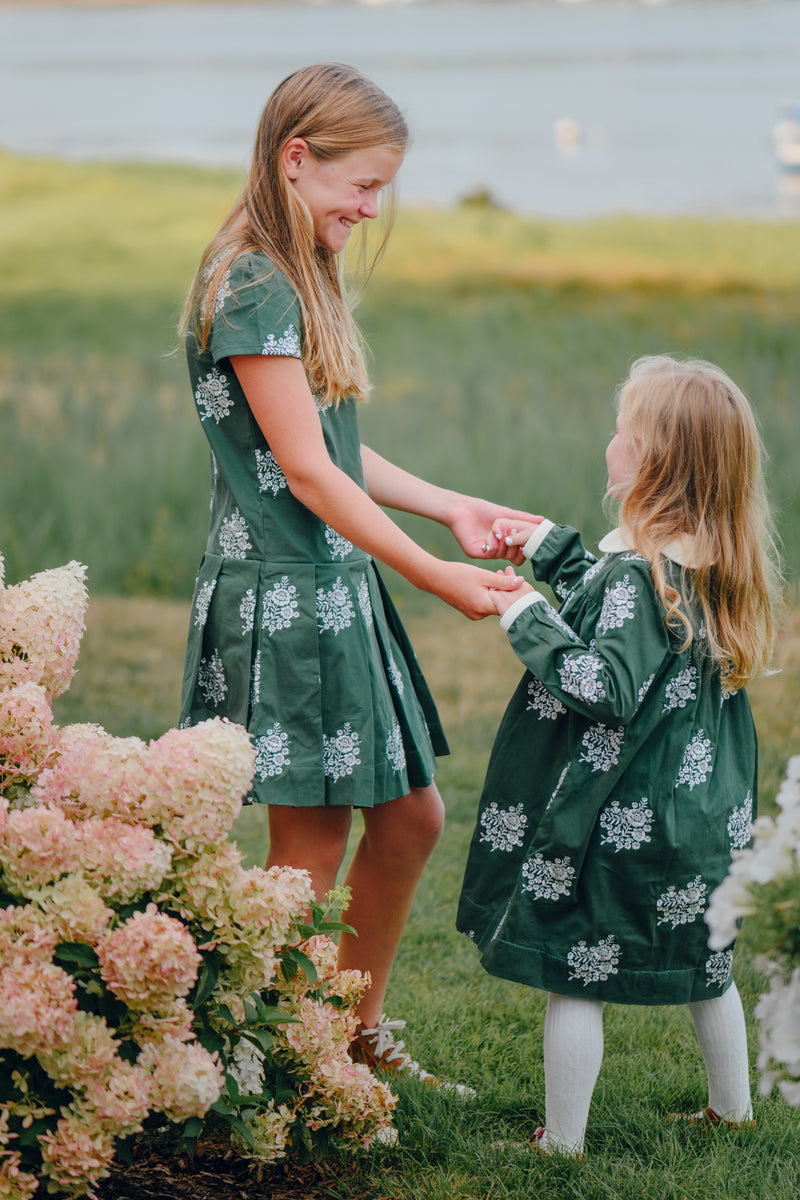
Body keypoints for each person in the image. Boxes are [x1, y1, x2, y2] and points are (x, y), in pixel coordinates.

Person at [178, 62, 533, 1087]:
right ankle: (264, 1060)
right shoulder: (249, 280)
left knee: (409, 816)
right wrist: (432, 573)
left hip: (331, 584)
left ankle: (344, 1032)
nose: (369, 208)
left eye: (381, 189)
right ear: (296, 158)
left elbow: (330, 446)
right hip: (284, 593)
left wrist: (450, 507)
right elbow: (299, 471)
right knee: (310, 841)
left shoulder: (293, 268)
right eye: (360, 185)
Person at [457, 355, 781, 1154]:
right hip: (700, 817)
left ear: (652, 461)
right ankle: (731, 1111)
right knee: (711, 964)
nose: (612, 442)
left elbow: (603, 683)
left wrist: (526, 614)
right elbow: (615, 605)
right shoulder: (707, 563)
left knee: (574, 967)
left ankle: (561, 1141)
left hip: (619, 817)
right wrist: (548, 545)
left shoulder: (645, 575)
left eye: (622, 432)